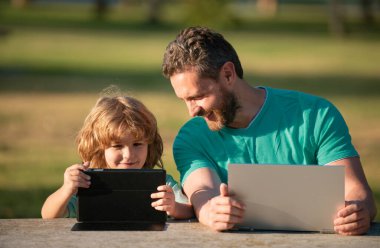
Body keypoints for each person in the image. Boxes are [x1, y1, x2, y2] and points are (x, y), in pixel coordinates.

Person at [161, 26, 377, 235]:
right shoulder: (191, 137)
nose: (192, 111)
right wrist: (211, 212)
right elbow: (203, 193)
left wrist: (358, 213)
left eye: (197, 97)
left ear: (228, 74)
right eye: (184, 100)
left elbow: (355, 191)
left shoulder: (315, 115)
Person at [41, 91, 193, 220]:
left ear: (149, 144)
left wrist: (173, 207)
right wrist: (67, 188)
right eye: (117, 146)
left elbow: (190, 210)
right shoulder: (88, 182)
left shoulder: (161, 183)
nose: (129, 155)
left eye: (138, 144)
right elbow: (48, 215)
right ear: (100, 148)